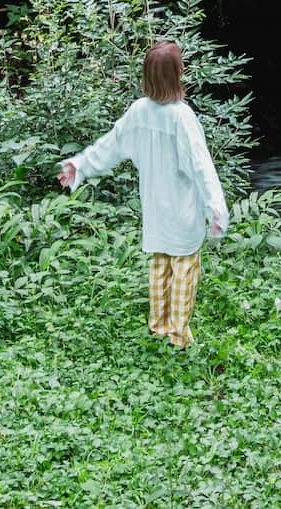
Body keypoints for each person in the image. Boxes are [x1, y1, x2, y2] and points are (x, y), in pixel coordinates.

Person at [57, 39, 229, 349]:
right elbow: (201, 165)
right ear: (178, 74)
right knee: (184, 270)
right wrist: (214, 206)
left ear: (146, 77)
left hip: (155, 209)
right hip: (182, 209)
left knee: (160, 266)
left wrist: (80, 165)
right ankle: (178, 337)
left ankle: (158, 326)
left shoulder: (139, 111)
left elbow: (111, 144)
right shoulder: (182, 117)